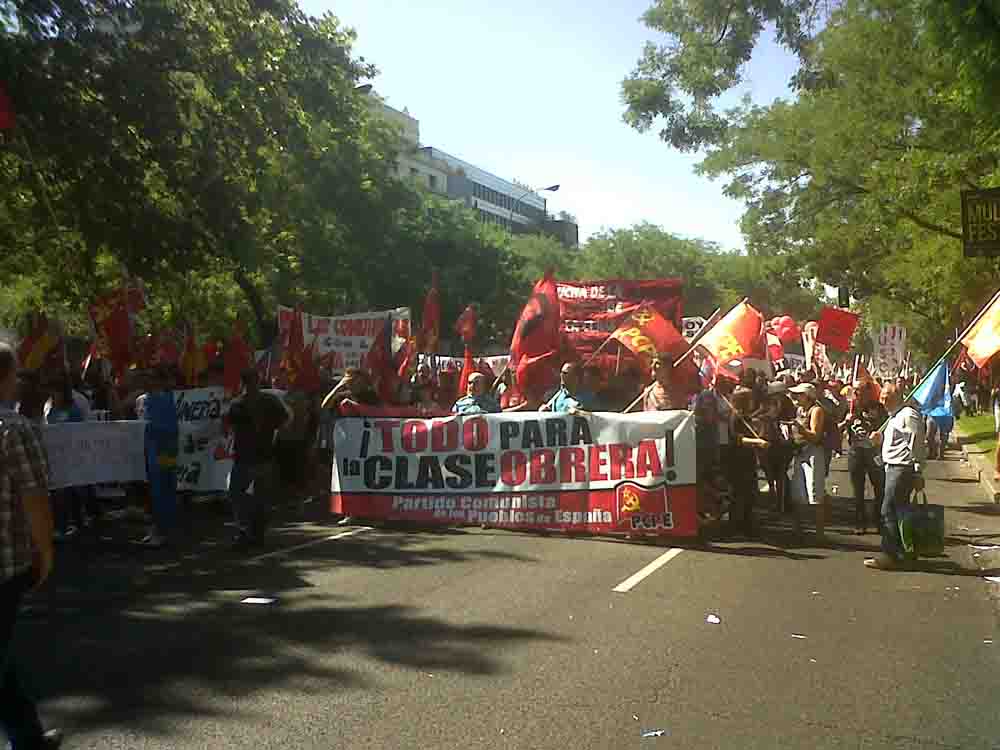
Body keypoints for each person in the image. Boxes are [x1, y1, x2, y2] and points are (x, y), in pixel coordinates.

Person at [0, 344, 64, 749]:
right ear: (7, 378)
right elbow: (35, 499)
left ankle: (28, 739)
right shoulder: (15, 429)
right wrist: (46, 552)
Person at [227, 369, 292, 547]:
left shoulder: (237, 403)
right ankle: (257, 533)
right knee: (260, 497)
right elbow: (286, 421)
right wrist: (273, 433)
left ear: (242, 383)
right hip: (263, 455)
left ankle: (244, 531)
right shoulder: (269, 400)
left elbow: (229, 427)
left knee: (239, 495)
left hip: (244, 456)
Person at [866, 384, 926, 570]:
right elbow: (897, 444)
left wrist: (918, 471)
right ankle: (904, 552)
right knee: (899, 512)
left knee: (888, 511)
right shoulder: (894, 416)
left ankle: (889, 555)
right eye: (882, 396)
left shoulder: (908, 415)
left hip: (901, 469)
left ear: (899, 396)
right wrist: (880, 442)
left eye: (887, 396)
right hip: (892, 468)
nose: (883, 400)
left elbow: (916, 445)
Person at [139, 366, 180, 548]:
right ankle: (157, 528)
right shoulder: (145, 399)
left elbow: (171, 428)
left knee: (163, 490)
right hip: (152, 451)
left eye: (150, 378)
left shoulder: (165, 399)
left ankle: (164, 531)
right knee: (155, 491)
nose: (146, 381)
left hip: (163, 451)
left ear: (158, 381)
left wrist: (147, 428)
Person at [840, 381, 887, 535]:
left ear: (868, 391)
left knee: (879, 488)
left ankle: (879, 520)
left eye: (859, 390)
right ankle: (860, 522)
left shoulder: (879, 408)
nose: (856, 393)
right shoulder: (850, 406)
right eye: (855, 390)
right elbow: (838, 428)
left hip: (874, 453)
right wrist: (845, 421)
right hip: (856, 452)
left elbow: (887, 425)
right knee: (858, 489)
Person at [788, 383, 828, 541]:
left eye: (800, 394)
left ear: (808, 396)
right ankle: (798, 530)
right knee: (798, 491)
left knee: (815, 492)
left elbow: (816, 436)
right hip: (800, 452)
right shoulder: (799, 410)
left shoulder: (816, 410)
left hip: (813, 453)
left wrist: (801, 429)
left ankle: (819, 533)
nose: (796, 397)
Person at [728, 387, 769, 537]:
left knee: (750, 492)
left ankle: (747, 523)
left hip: (748, 458)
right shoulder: (735, 417)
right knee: (739, 493)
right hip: (737, 459)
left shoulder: (747, 417)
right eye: (750, 399)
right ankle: (736, 526)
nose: (753, 402)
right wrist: (757, 442)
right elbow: (737, 439)